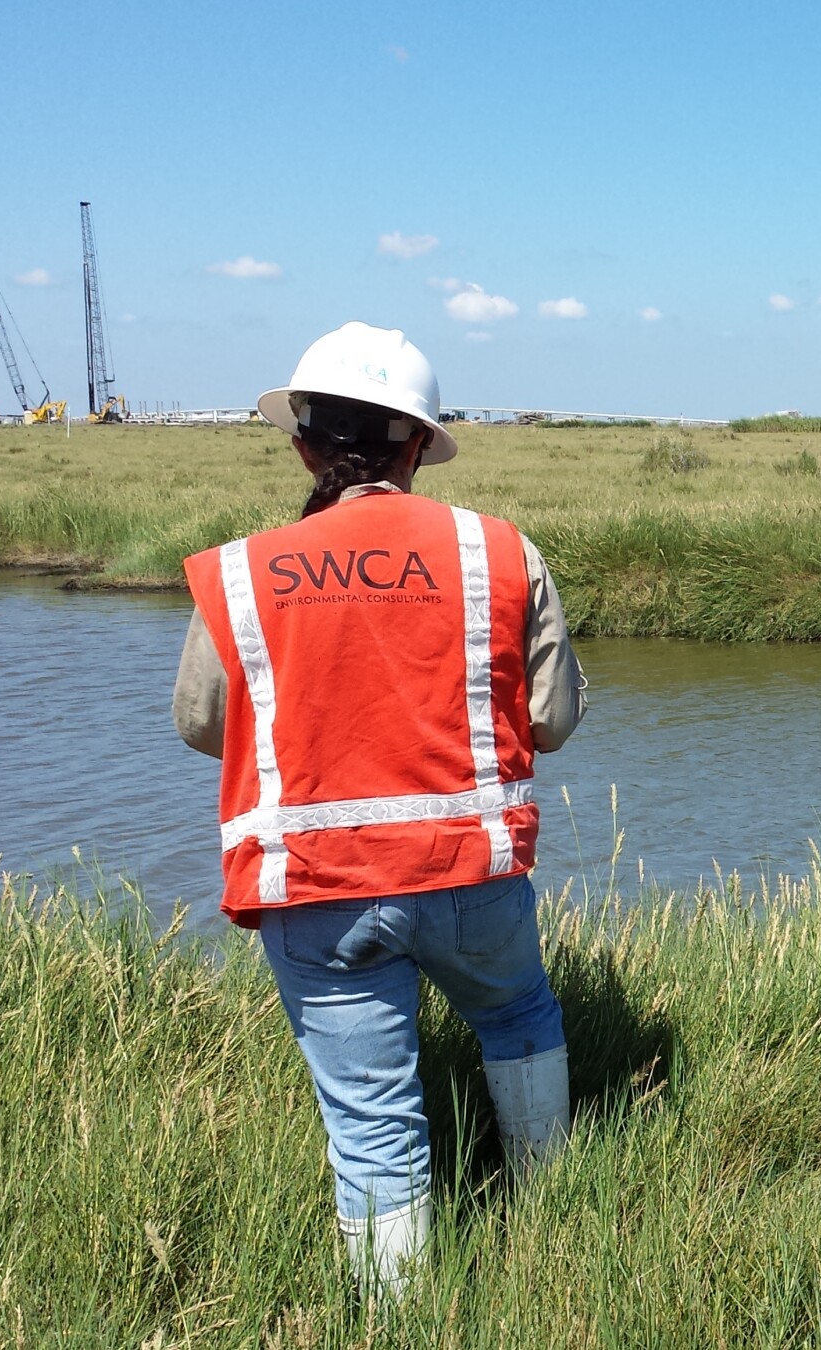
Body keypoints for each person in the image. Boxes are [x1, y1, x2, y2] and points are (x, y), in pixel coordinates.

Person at [171, 322, 587, 1293]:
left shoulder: (241, 570)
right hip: (474, 874)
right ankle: (555, 1234)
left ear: (305, 445)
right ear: (415, 446)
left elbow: (200, 725)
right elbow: (556, 722)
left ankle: (396, 1317)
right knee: (520, 1015)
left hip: (318, 892)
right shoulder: (500, 553)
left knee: (371, 1122)